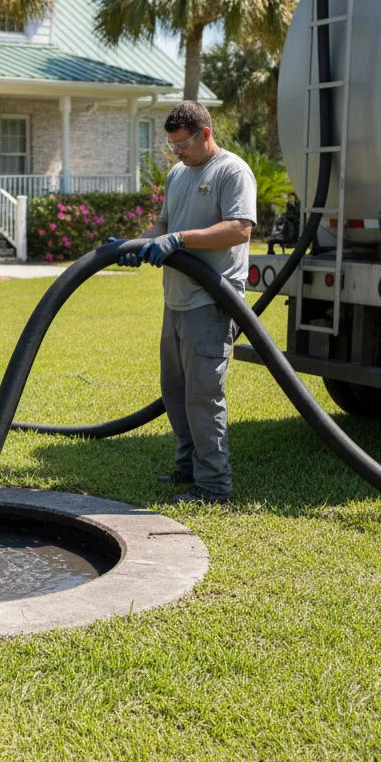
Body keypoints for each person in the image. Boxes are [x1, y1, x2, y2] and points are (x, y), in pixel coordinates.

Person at [120, 101, 257, 504]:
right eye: (172, 145)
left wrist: (180, 240)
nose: (176, 152)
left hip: (212, 300)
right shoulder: (179, 174)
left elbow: (239, 229)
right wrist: (141, 242)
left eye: (182, 144)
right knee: (175, 390)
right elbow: (165, 223)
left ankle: (214, 484)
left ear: (206, 134)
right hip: (177, 298)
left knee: (203, 392)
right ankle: (187, 467)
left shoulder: (231, 170)